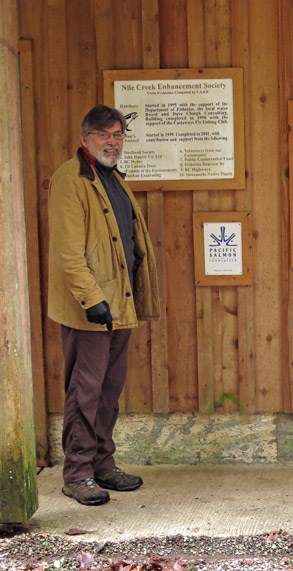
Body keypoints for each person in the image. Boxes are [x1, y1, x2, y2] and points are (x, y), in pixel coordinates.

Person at [48, 105, 161, 506]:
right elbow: (67, 252)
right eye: (104, 135)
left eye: (118, 135)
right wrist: (92, 298)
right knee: (85, 390)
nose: (113, 141)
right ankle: (77, 474)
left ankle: (102, 464)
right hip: (91, 308)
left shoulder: (112, 177)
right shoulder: (71, 180)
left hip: (119, 304)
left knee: (109, 390)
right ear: (85, 140)